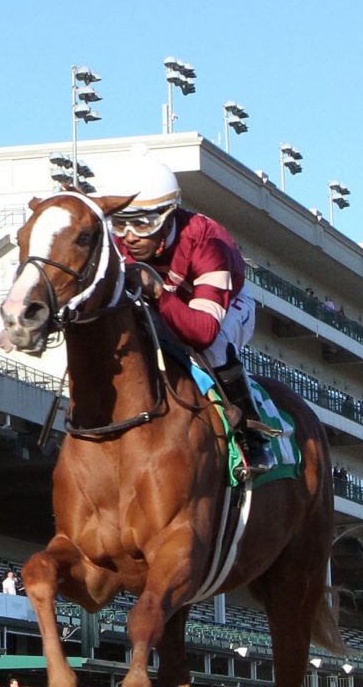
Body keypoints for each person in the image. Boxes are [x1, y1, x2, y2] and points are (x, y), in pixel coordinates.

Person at [108, 154, 270, 476]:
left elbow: (202, 331)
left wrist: (157, 292)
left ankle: (252, 435)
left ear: (168, 217)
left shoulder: (208, 242)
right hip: (164, 301)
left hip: (223, 306)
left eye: (142, 223)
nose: (128, 236)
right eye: (120, 222)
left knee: (211, 347)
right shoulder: (115, 242)